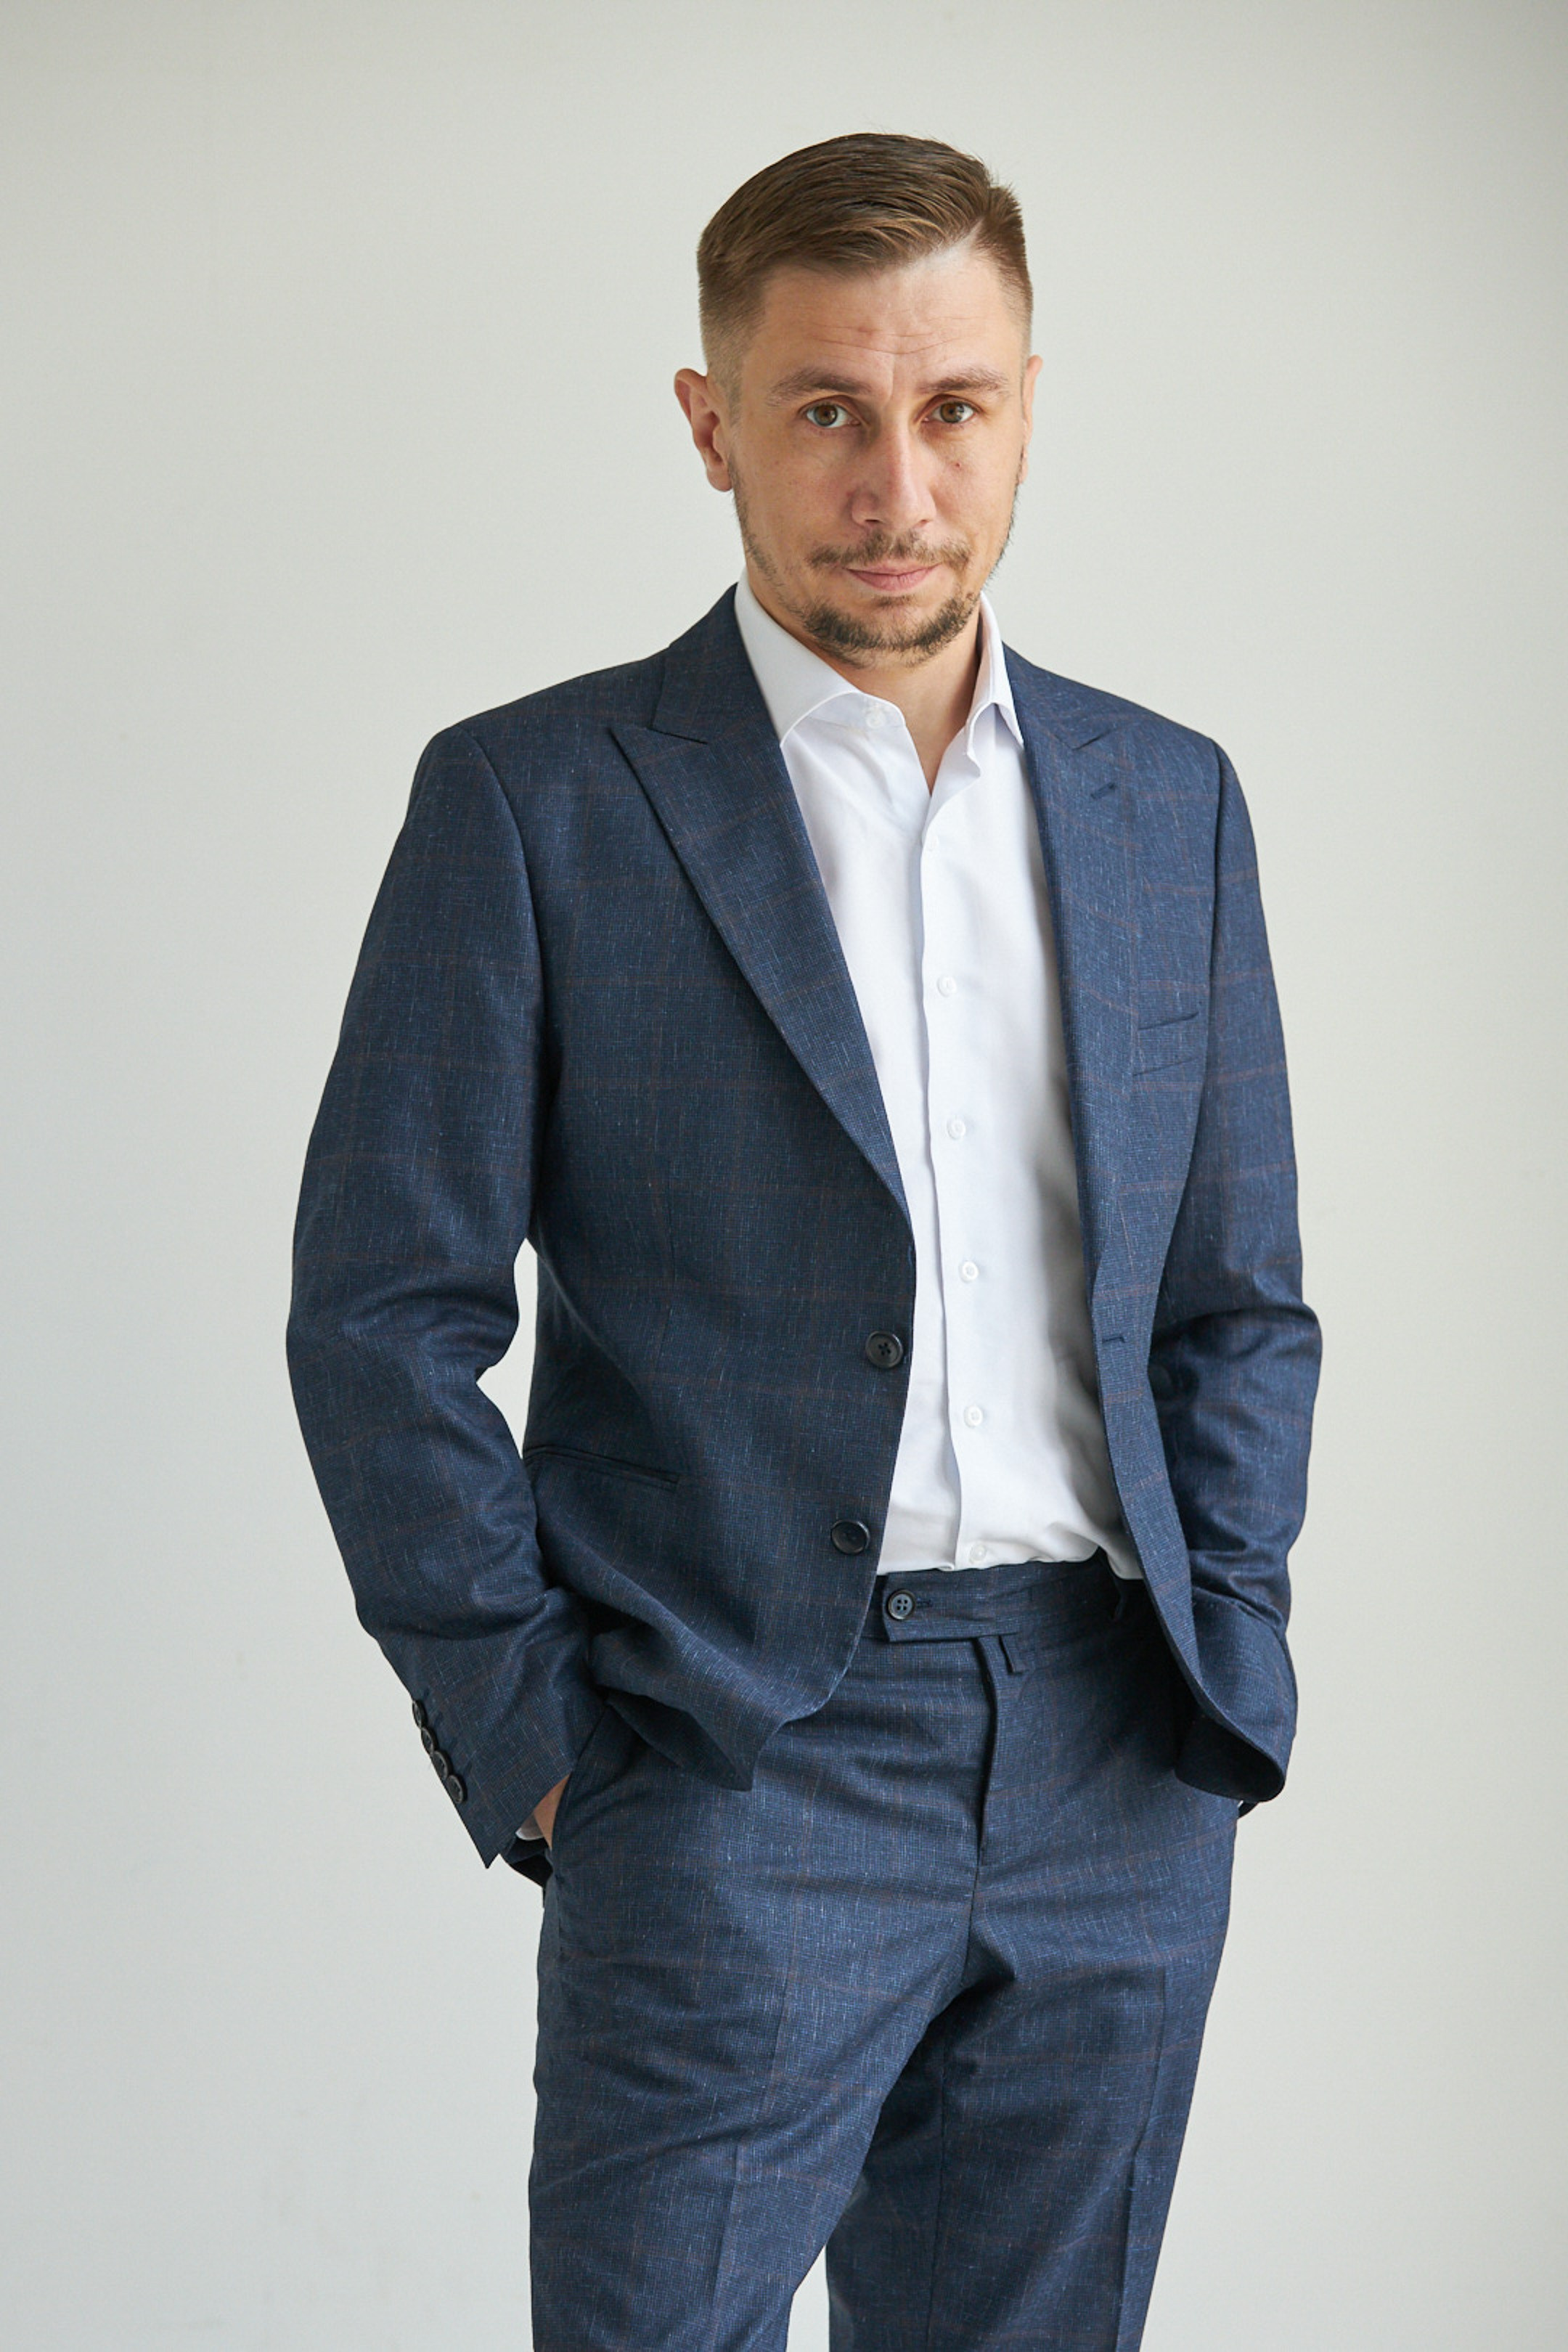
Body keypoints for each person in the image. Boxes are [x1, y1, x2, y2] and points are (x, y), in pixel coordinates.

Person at [288, 131, 1320, 2352]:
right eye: (827, 411)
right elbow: (381, 1314)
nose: (897, 485)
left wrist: (1223, 1637)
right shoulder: (541, 801)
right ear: (712, 425)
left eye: (952, 409)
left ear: (1029, 400)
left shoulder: (1170, 803)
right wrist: (540, 1738)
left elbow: (1236, 1302)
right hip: (730, 1746)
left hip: (1117, 1753)